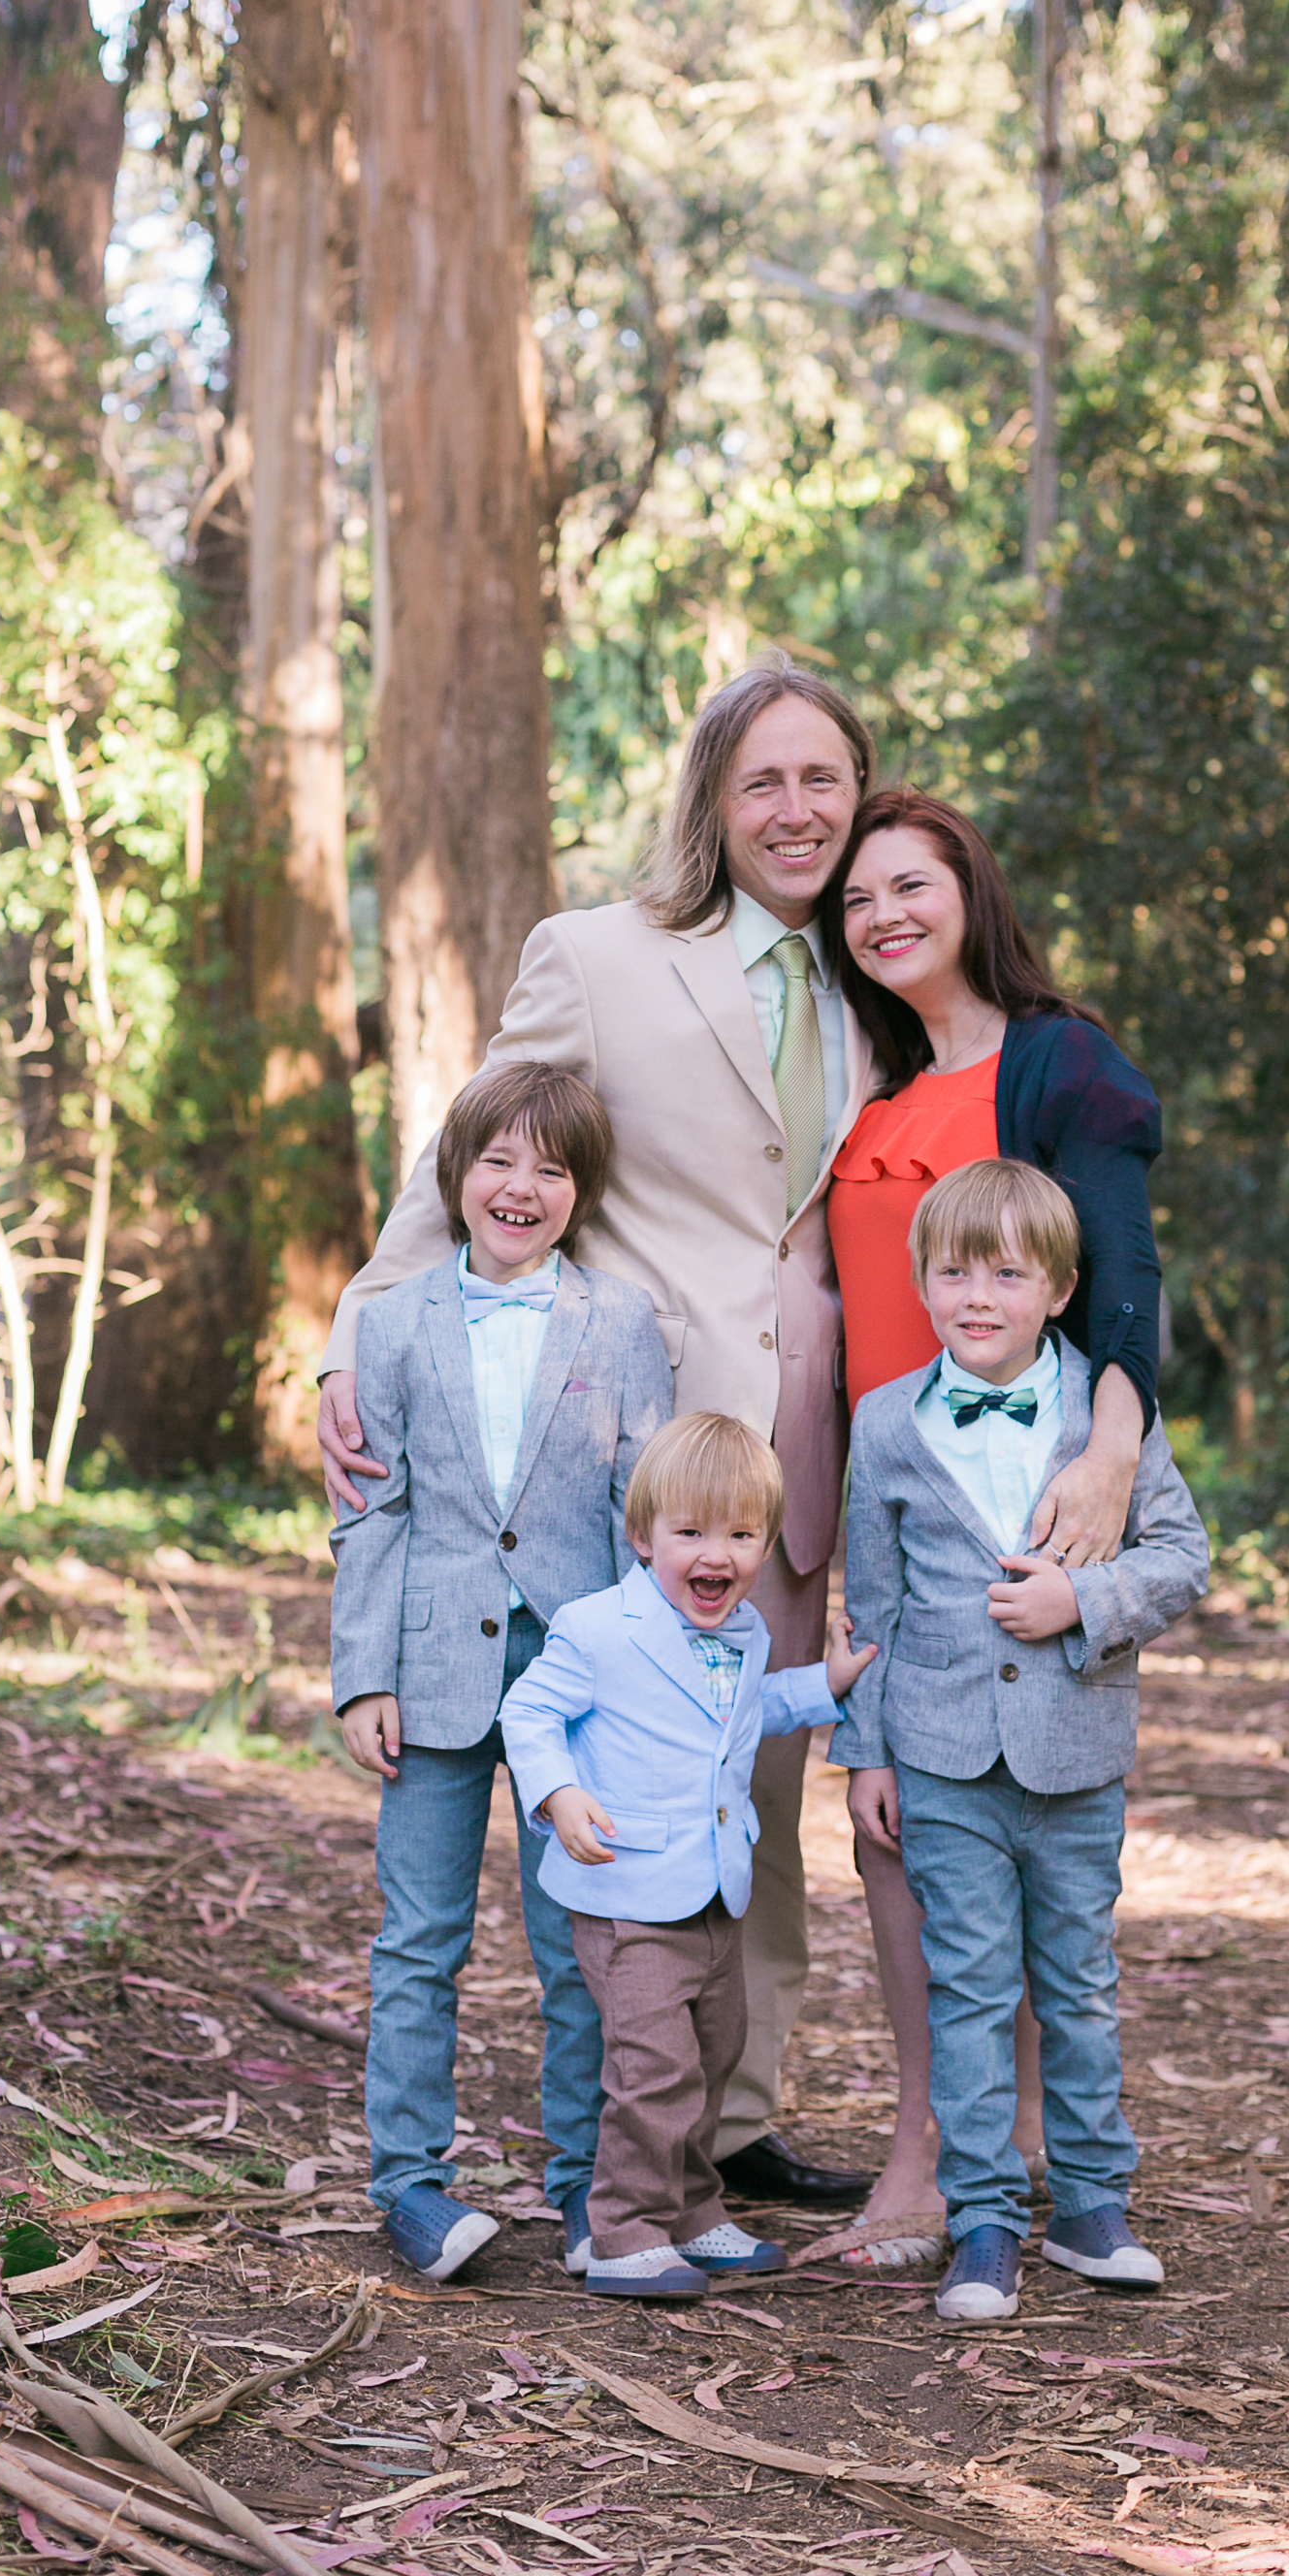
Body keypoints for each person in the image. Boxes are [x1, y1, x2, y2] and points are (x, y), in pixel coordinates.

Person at [318, 658, 883, 2207]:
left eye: (822, 779)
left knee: (751, 1787)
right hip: (631, 1457)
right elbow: (470, 1167)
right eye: (762, 780)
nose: (795, 809)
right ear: (711, 796)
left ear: (858, 796)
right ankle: (625, 2134)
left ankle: (736, 2111)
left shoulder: (873, 979)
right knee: (622, 1777)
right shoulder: (595, 955)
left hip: (799, 1453)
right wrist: (350, 1344)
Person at [823, 788, 1168, 2262]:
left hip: (1024, 1481)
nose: (884, 915)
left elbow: (1127, 1280)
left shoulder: (1056, 1064)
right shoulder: (872, 1088)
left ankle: (995, 2152)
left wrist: (1104, 1464)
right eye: (856, 901)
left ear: (971, 890)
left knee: (1025, 1830)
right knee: (904, 1829)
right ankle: (959, 2131)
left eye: (912, 884)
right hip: (895, 1479)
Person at [835, 1159, 1208, 2321]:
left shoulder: (1104, 1412)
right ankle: (983, 2218)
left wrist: (1081, 1605)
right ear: (923, 1285)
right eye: (954, 1271)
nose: (978, 1295)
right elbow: (872, 1605)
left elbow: (1179, 1556)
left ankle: (1093, 2204)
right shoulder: (884, 1422)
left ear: (1056, 1290)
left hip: (1073, 1755)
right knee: (969, 1990)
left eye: (1008, 1273)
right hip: (939, 1756)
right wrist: (866, 1755)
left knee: (1077, 1987)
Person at [329, 1061, 673, 2282]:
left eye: (551, 1168)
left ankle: (585, 2188)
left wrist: (641, 1678)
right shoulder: (391, 1320)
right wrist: (363, 1674)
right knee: (418, 1940)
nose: (520, 1187)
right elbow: (371, 1510)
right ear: (455, 1175)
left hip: (573, 1681)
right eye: (498, 1161)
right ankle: (411, 2187)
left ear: (579, 1194)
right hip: (427, 1670)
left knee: (575, 1939)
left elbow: (652, 1511)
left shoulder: (622, 1323)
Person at [501, 1413, 877, 2298]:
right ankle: (623, 2230)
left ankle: (693, 2210)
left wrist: (824, 1685)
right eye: (693, 1533)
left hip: (713, 1890)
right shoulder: (599, 1628)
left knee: (714, 2052)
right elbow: (528, 1713)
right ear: (643, 1536)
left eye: (743, 1535)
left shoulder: (743, 1635)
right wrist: (559, 1795)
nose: (719, 1555)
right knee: (654, 2066)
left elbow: (749, 1715)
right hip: (626, 1893)